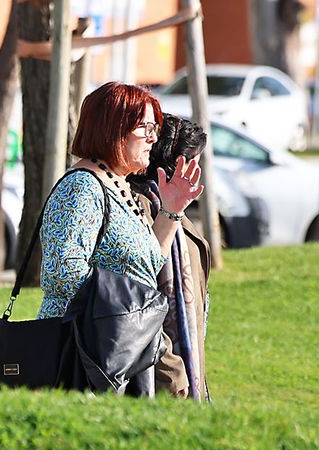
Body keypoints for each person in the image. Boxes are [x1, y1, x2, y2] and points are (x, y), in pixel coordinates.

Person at [38, 84, 205, 388]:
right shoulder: (82, 187)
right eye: (146, 127)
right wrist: (130, 309)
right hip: (79, 354)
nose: (154, 138)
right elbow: (62, 271)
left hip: (116, 350)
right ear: (113, 128)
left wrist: (171, 210)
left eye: (154, 127)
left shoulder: (121, 186)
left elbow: (146, 268)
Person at [131, 114, 212, 401]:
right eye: (195, 162)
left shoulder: (179, 217)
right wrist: (174, 373)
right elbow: (139, 300)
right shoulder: (139, 209)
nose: (199, 171)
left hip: (185, 377)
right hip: (154, 379)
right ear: (177, 164)